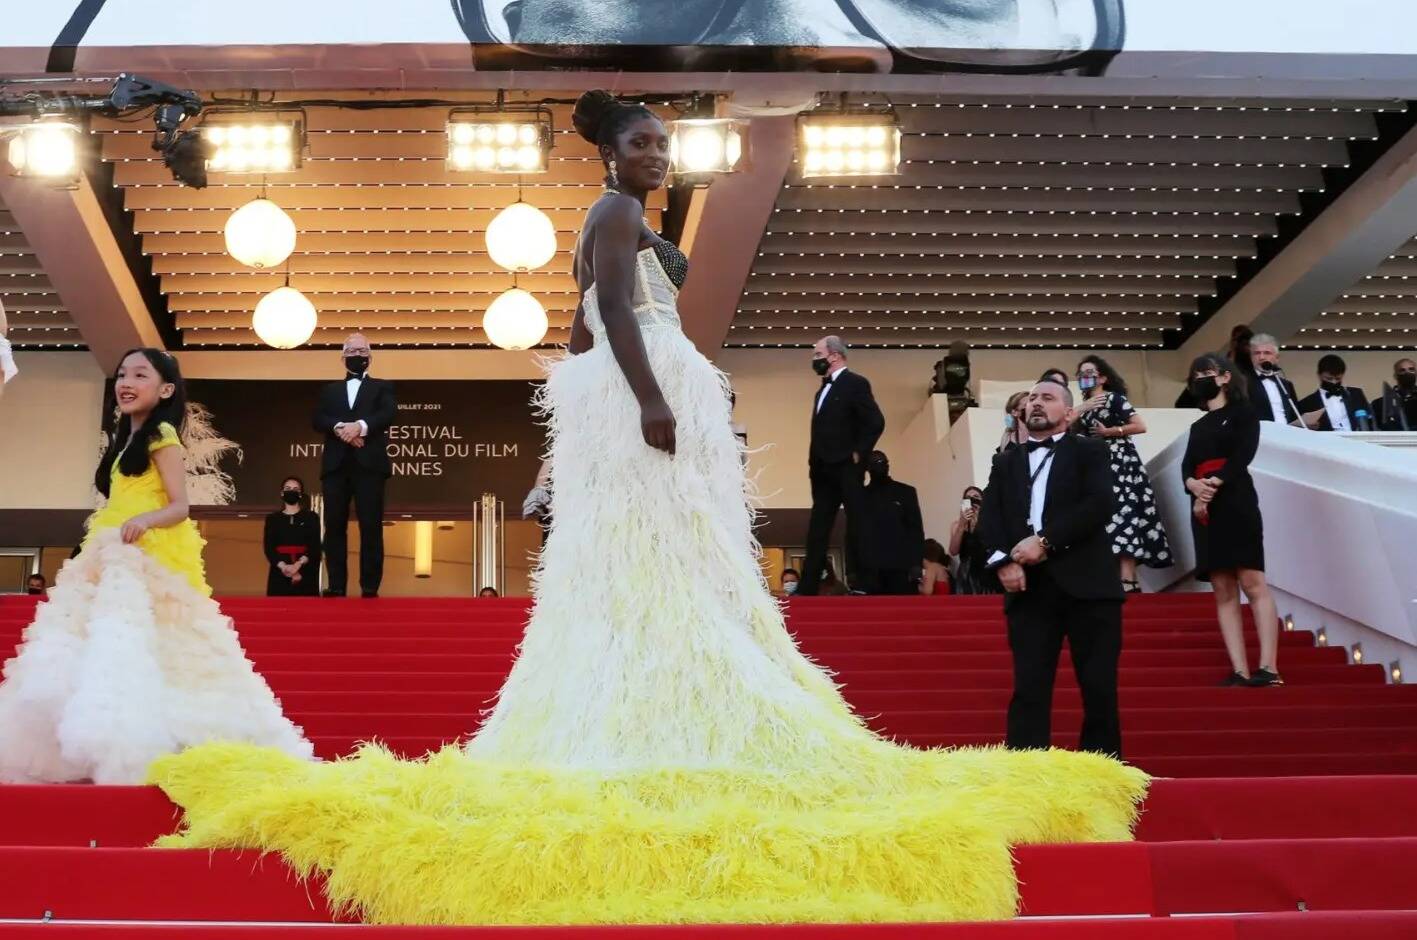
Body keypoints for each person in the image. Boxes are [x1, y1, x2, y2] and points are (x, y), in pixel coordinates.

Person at [148, 91, 1145, 927]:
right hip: (646, 391)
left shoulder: (617, 222)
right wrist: (654, 401)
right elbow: (613, 318)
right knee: (662, 557)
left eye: (664, 143)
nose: (658, 155)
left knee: (664, 560)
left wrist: (578, 439)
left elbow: (583, 338)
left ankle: (671, 684)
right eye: (642, 142)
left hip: (627, 402)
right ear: (609, 152)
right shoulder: (612, 217)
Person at [0, 348, 311, 785]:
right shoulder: (125, 437)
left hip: (144, 550)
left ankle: (145, 739)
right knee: (99, 637)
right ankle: (96, 739)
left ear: (165, 389)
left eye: (140, 375)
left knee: (145, 638)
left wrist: (144, 520)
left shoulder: (163, 433)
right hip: (109, 546)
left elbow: (180, 506)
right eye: (122, 373)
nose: (126, 382)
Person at [979, 379, 1125, 758]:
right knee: (1029, 688)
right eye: (1031, 399)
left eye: (1047, 398)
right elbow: (989, 518)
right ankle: (1026, 779)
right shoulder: (1005, 461)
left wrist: (1043, 542)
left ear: (1070, 412)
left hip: (1089, 588)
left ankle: (1101, 776)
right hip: (1028, 590)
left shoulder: (1090, 452)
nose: (1036, 404)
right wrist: (1004, 562)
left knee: (1098, 688)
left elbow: (1099, 504)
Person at [1182, 354, 1283, 687]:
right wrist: (1194, 486)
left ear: (1225, 377)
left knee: (1252, 581)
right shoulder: (1197, 426)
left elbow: (1244, 453)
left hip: (1236, 500)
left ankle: (1268, 667)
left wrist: (1215, 483)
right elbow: (1187, 467)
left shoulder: (1243, 413)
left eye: (1205, 373)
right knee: (1222, 588)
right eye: (1195, 375)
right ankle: (1239, 669)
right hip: (1204, 509)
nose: (1200, 379)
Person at [1071, 356, 1171, 592]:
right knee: (1104, 519)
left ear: (1102, 377)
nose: (1084, 378)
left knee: (1124, 514)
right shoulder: (1085, 406)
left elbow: (1140, 425)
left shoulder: (1114, 399)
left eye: (1089, 373)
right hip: (1097, 465)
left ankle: (1127, 578)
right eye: (1081, 374)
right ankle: (1114, 578)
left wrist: (1111, 431)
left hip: (1121, 464)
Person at [797, 335, 885, 596]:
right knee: (818, 528)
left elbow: (875, 421)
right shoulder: (821, 391)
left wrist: (859, 453)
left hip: (846, 467)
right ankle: (807, 586)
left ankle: (866, 583)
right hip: (822, 470)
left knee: (858, 524)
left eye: (818, 354)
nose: (815, 360)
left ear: (834, 356)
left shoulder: (855, 383)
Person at [314, 333, 396, 598]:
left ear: (370, 357)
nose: (357, 355)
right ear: (342, 357)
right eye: (352, 351)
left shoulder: (383, 387)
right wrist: (342, 429)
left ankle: (370, 586)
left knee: (370, 526)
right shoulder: (329, 390)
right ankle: (337, 585)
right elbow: (318, 419)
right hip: (336, 467)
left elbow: (388, 414)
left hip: (370, 467)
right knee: (334, 526)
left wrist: (359, 427)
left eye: (362, 351)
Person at [856, 450, 925, 595]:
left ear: (888, 465)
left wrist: (916, 563)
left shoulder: (906, 492)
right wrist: (852, 568)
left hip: (901, 566)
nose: (880, 466)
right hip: (871, 568)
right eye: (875, 463)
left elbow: (915, 530)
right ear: (868, 468)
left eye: (883, 462)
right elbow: (853, 533)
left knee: (903, 613)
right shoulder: (860, 496)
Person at [263, 475, 322, 597]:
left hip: (306, 571)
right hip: (279, 572)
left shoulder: (311, 517)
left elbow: (315, 546)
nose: (291, 491)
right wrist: (284, 567)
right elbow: (269, 548)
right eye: (288, 488)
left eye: (295, 489)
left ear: (300, 494)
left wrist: (298, 565)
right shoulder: (272, 519)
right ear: (282, 493)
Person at [1246, 334, 1311, 426]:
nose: (1261, 357)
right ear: (1251, 357)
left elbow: (1293, 415)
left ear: (1277, 358)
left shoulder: (1286, 385)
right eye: (1257, 353)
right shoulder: (1244, 383)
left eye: (1267, 353)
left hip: (1286, 435)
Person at [1296, 354, 1372, 432]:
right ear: (1319, 375)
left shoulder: (1356, 394)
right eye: (1329, 378)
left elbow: (1369, 420)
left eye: (1338, 378)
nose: (1334, 382)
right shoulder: (1307, 403)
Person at [949, 486, 997, 595]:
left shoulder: (990, 523)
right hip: (966, 573)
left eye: (976, 497)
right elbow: (953, 551)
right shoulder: (957, 525)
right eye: (968, 498)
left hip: (986, 570)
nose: (972, 500)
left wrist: (981, 520)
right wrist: (962, 524)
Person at [1371, 357, 1417, 431]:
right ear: (1395, 375)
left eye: (1411, 369)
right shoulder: (1380, 404)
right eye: (1402, 370)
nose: (1407, 372)